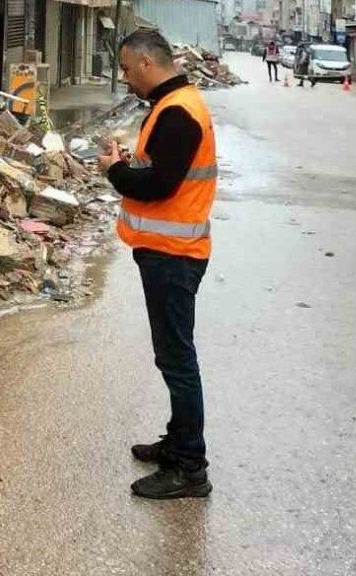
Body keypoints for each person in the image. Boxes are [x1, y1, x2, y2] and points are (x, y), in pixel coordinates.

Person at [99, 28, 215, 500]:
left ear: (147, 64)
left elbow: (158, 186)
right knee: (172, 356)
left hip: (174, 256)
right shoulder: (172, 107)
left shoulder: (180, 113)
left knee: (177, 359)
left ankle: (190, 466)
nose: (124, 79)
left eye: (127, 69)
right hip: (167, 253)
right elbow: (162, 170)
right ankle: (179, 442)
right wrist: (129, 163)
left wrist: (113, 171)